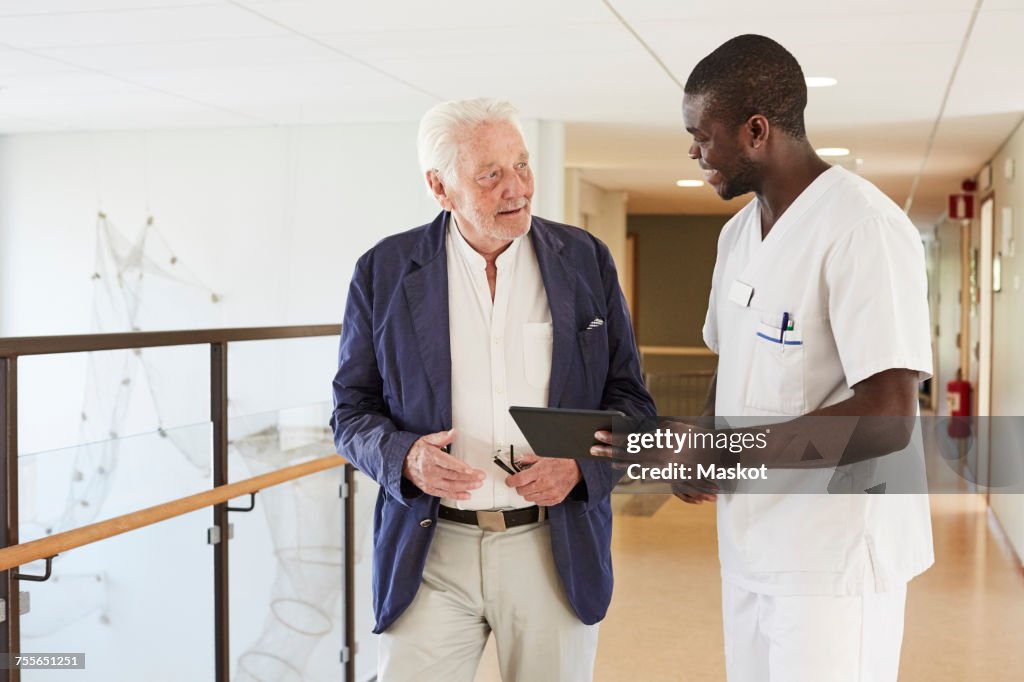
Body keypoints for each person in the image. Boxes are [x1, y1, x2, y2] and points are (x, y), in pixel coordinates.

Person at [330, 97, 654, 682]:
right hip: (431, 548)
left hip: (552, 548)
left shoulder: (584, 261)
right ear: (440, 187)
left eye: (522, 165)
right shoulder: (383, 270)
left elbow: (633, 403)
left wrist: (581, 465)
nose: (519, 188)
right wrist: (405, 457)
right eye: (491, 174)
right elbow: (351, 413)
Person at [644, 34, 932, 682]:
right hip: (752, 545)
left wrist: (730, 452)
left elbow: (888, 416)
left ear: (755, 130)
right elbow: (736, 358)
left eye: (702, 135)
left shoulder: (864, 228)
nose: (693, 152)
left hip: (834, 561)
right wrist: (705, 442)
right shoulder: (737, 236)